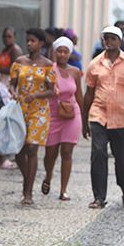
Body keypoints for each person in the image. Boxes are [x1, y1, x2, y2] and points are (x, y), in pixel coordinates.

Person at [82, 26, 124, 209]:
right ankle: (99, 196)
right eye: (106, 39)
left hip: (121, 117)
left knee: (122, 159)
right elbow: (89, 93)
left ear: (120, 41)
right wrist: (85, 119)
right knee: (98, 153)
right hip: (98, 114)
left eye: (112, 39)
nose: (109, 42)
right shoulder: (95, 64)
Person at [10, 28, 56, 205]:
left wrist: (36, 96)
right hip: (21, 109)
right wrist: (14, 92)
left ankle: (28, 192)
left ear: (41, 43)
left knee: (32, 148)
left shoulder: (48, 65)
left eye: (33, 41)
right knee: (20, 151)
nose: (29, 43)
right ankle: (27, 177)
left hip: (40, 111)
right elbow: (12, 84)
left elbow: (52, 90)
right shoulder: (20, 62)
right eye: (28, 40)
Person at [42, 37, 83, 201]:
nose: (63, 54)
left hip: (72, 114)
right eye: (60, 51)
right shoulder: (48, 70)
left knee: (67, 152)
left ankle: (63, 189)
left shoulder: (75, 72)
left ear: (70, 53)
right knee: (50, 153)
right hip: (53, 114)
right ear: (55, 52)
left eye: (66, 51)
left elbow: (79, 95)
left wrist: (85, 120)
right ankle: (48, 175)